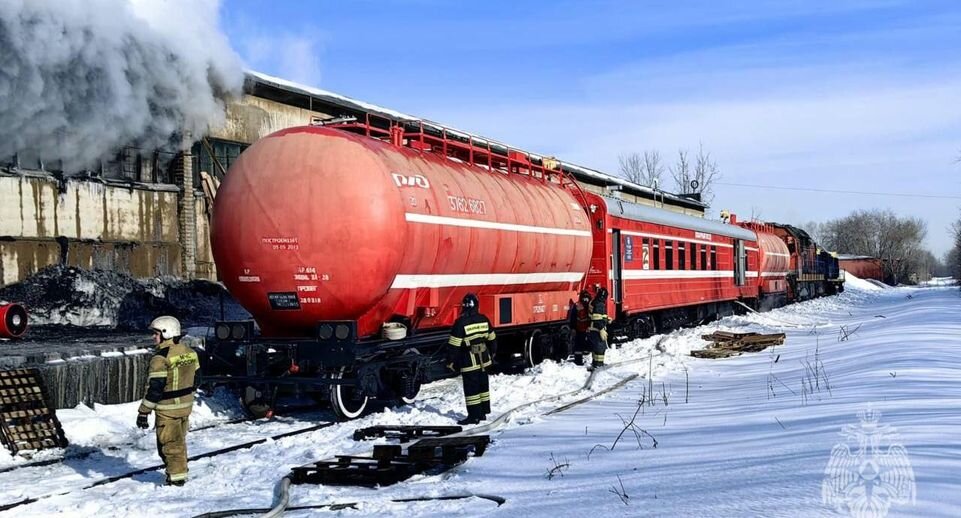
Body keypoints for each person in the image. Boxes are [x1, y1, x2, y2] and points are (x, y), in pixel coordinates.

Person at [136, 316, 200, 486]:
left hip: (168, 410)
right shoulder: (190, 352)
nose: (153, 337)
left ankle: (176, 480)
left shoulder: (160, 358)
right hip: (186, 407)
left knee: (170, 445)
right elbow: (197, 378)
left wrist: (143, 412)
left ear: (167, 333)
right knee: (179, 441)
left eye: (156, 334)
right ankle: (181, 470)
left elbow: (155, 389)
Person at [446, 293, 496, 425]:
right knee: (483, 385)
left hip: (469, 360)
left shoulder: (460, 323)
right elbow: (492, 339)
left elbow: (454, 345)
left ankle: (474, 416)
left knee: (471, 389)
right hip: (484, 359)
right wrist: (492, 354)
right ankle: (484, 411)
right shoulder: (484, 319)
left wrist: (450, 361)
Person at [568, 290, 592, 365]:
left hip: (583, 329)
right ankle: (580, 361)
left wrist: (573, 328)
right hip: (584, 329)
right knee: (581, 346)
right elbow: (573, 317)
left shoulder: (578, 305)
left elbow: (573, 317)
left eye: (586, 298)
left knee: (579, 346)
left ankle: (579, 361)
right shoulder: (590, 305)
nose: (585, 299)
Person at [587, 286, 610, 370]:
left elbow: (595, 316)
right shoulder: (599, 303)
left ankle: (595, 363)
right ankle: (599, 364)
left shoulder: (593, 301)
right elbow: (597, 318)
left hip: (592, 328)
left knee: (595, 348)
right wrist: (601, 329)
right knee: (600, 348)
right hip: (597, 329)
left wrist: (606, 319)